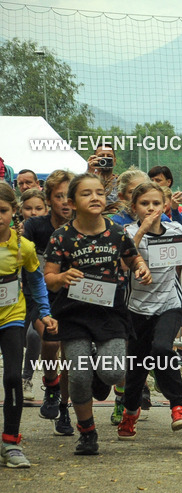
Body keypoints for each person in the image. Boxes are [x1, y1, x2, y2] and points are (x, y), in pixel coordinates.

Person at [42, 173, 153, 455]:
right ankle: (87, 433)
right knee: (78, 377)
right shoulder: (61, 237)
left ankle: (94, 362)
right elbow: (49, 278)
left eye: (100, 193)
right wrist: (62, 276)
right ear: (72, 203)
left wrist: (141, 267)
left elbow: (132, 258)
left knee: (114, 372)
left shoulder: (117, 232)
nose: (95, 198)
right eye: (86, 193)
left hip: (109, 313)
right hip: (74, 315)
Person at [118, 181, 182, 438]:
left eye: (156, 203)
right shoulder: (128, 231)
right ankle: (130, 412)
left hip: (169, 303)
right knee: (137, 366)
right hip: (137, 308)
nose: (151, 208)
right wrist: (142, 230)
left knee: (162, 349)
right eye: (144, 204)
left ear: (166, 205)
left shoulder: (175, 228)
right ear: (134, 207)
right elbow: (123, 264)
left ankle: (178, 407)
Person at [0, 183, 57, 468]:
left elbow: (36, 281)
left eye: (2, 210)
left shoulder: (24, 247)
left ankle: (11, 442)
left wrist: (44, 312)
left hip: (11, 317)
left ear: (13, 212)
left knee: (13, 377)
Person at [23, 169, 74, 434]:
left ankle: (64, 408)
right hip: (40, 296)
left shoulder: (83, 225)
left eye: (68, 196)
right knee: (52, 340)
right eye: (58, 196)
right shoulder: (35, 226)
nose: (65, 202)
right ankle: (51, 384)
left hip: (74, 297)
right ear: (49, 200)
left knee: (70, 354)